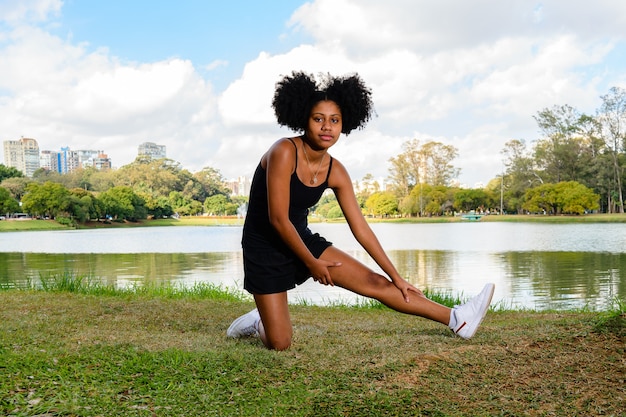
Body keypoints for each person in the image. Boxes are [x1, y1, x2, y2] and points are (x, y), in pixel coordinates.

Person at [227, 71, 495, 350]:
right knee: (280, 343)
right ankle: (261, 321)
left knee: (374, 282)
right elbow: (278, 219)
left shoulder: (336, 171)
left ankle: (457, 319)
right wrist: (312, 263)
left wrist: (396, 276)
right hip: (265, 245)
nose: (326, 127)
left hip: (301, 238)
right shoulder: (283, 151)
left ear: (345, 124)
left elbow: (361, 230)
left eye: (335, 120)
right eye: (318, 119)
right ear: (304, 119)